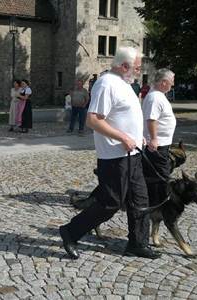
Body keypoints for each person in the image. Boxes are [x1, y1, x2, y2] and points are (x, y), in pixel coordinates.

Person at [59, 47, 161, 260]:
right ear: (125, 66)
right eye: (137, 67)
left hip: (132, 154)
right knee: (110, 203)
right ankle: (71, 231)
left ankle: (138, 244)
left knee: (140, 200)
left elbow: (123, 117)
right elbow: (93, 119)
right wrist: (123, 137)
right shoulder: (106, 83)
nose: (138, 71)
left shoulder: (125, 84)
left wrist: (137, 136)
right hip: (114, 157)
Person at [142, 68, 177, 210]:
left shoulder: (158, 95)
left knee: (157, 176)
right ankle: (158, 204)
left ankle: (154, 200)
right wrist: (154, 138)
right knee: (160, 177)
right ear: (163, 82)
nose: (172, 85)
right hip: (157, 146)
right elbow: (151, 119)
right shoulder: (155, 97)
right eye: (171, 82)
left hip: (161, 145)